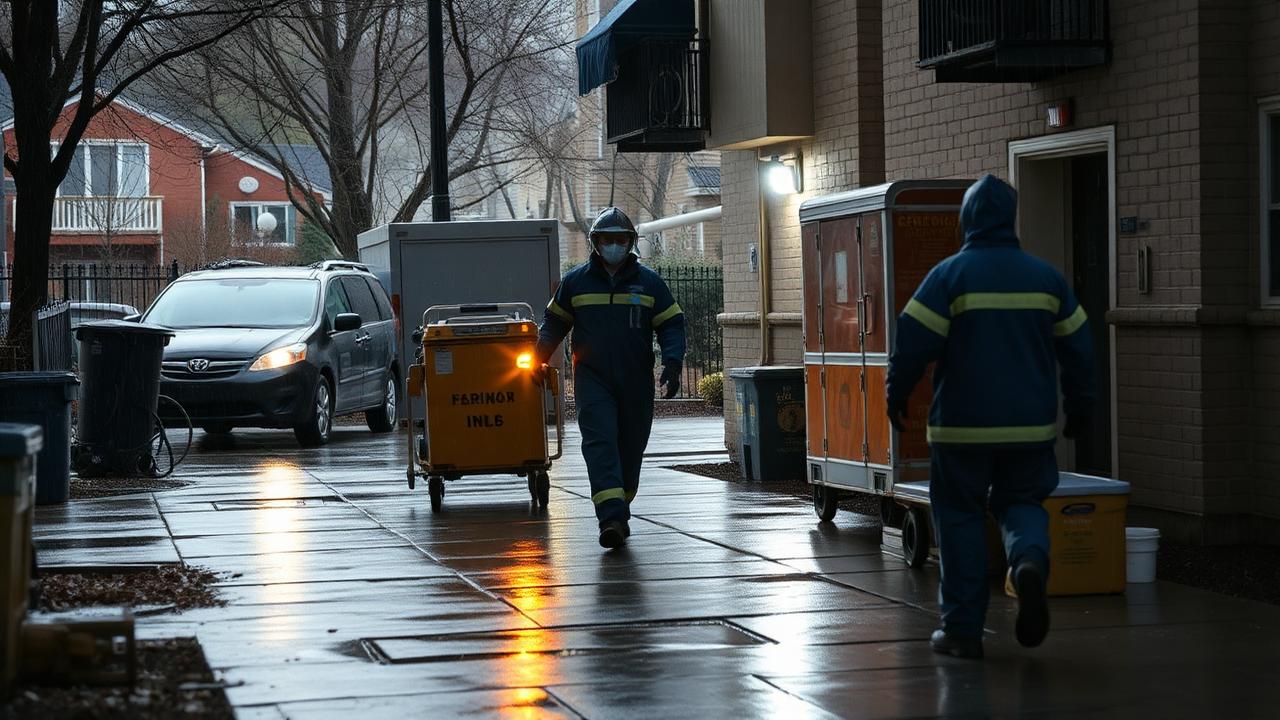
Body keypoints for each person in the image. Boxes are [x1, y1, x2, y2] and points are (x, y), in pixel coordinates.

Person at [886, 174, 1095, 659]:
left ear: (967, 221)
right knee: (1021, 504)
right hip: (1030, 429)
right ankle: (1028, 563)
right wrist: (1082, 407)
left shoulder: (948, 277)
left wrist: (897, 393)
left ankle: (962, 631)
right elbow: (1081, 349)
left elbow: (912, 341)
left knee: (959, 517)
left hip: (961, 430)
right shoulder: (1047, 279)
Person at [535, 207, 686, 549]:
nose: (614, 246)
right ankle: (610, 517)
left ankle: (620, 506)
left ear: (631, 242)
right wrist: (537, 360)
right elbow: (554, 325)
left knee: (631, 449)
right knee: (600, 443)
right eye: (607, 240)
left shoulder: (649, 283)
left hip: (636, 381)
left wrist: (673, 362)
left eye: (620, 240)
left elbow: (671, 324)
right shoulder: (576, 282)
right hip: (593, 379)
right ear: (595, 243)